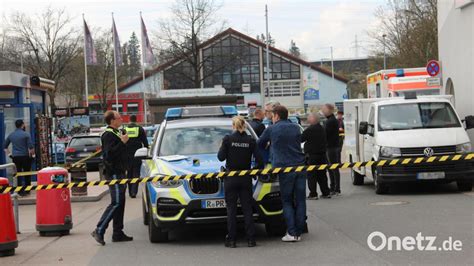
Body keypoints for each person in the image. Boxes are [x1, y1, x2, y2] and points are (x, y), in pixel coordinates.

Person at [258, 105, 306, 242]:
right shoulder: (295, 127)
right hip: (300, 166)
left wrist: (269, 147)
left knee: (287, 200)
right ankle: (299, 231)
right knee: (301, 200)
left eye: (272, 116)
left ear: (277, 116)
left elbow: (260, 143)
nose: (272, 118)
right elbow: (299, 142)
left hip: (284, 168)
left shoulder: (272, 129)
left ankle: (291, 232)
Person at [218, 116, 263, 248]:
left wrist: (223, 145)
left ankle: (231, 240)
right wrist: (254, 171)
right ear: (244, 126)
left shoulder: (228, 139)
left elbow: (220, 157)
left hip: (231, 178)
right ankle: (251, 239)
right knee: (247, 208)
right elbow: (260, 161)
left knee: (231, 210)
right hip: (245, 178)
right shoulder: (250, 140)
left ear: (233, 126)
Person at [92, 111, 133, 245]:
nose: (121, 119)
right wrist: (122, 142)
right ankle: (99, 229)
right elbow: (109, 155)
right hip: (114, 172)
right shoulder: (108, 135)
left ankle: (118, 232)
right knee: (116, 202)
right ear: (112, 120)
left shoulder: (116, 132)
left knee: (120, 203)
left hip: (121, 171)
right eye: (119, 117)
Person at [301, 113, 331, 200]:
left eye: (309, 118)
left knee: (311, 175)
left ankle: (313, 194)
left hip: (312, 156)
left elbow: (301, 138)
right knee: (322, 175)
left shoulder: (309, 130)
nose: (307, 119)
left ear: (313, 119)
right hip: (322, 155)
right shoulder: (322, 128)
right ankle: (326, 192)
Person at [3, 120, 35, 196]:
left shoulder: (11, 135)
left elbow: (5, 147)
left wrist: (10, 155)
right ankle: (27, 190)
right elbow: (31, 147)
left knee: (17, 174)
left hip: (16, 157)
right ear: (22, 125)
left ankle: (19, 190)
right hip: (25, 156)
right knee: (27, 173)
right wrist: (33, 156)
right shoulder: (26, 134)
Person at [125, 115, 148, 198]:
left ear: (129, 120)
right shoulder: (140, 129)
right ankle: (134, 191)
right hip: (138, 154)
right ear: (136, 120)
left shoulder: (125, 129)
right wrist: (147, 152)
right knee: (136, 173)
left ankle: (130, 192)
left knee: (129, 173)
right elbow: (145, 142)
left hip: (127, 155)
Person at [322, 104, 341, 196]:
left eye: (324, 110)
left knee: (333, 168)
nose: (323, 112)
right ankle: (334, 187)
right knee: (332, 168)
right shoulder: (332, 120)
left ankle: (336, 188)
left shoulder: (330, 121)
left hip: (331, 147)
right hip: (332, 146)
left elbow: (325, 135)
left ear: (330, 110)